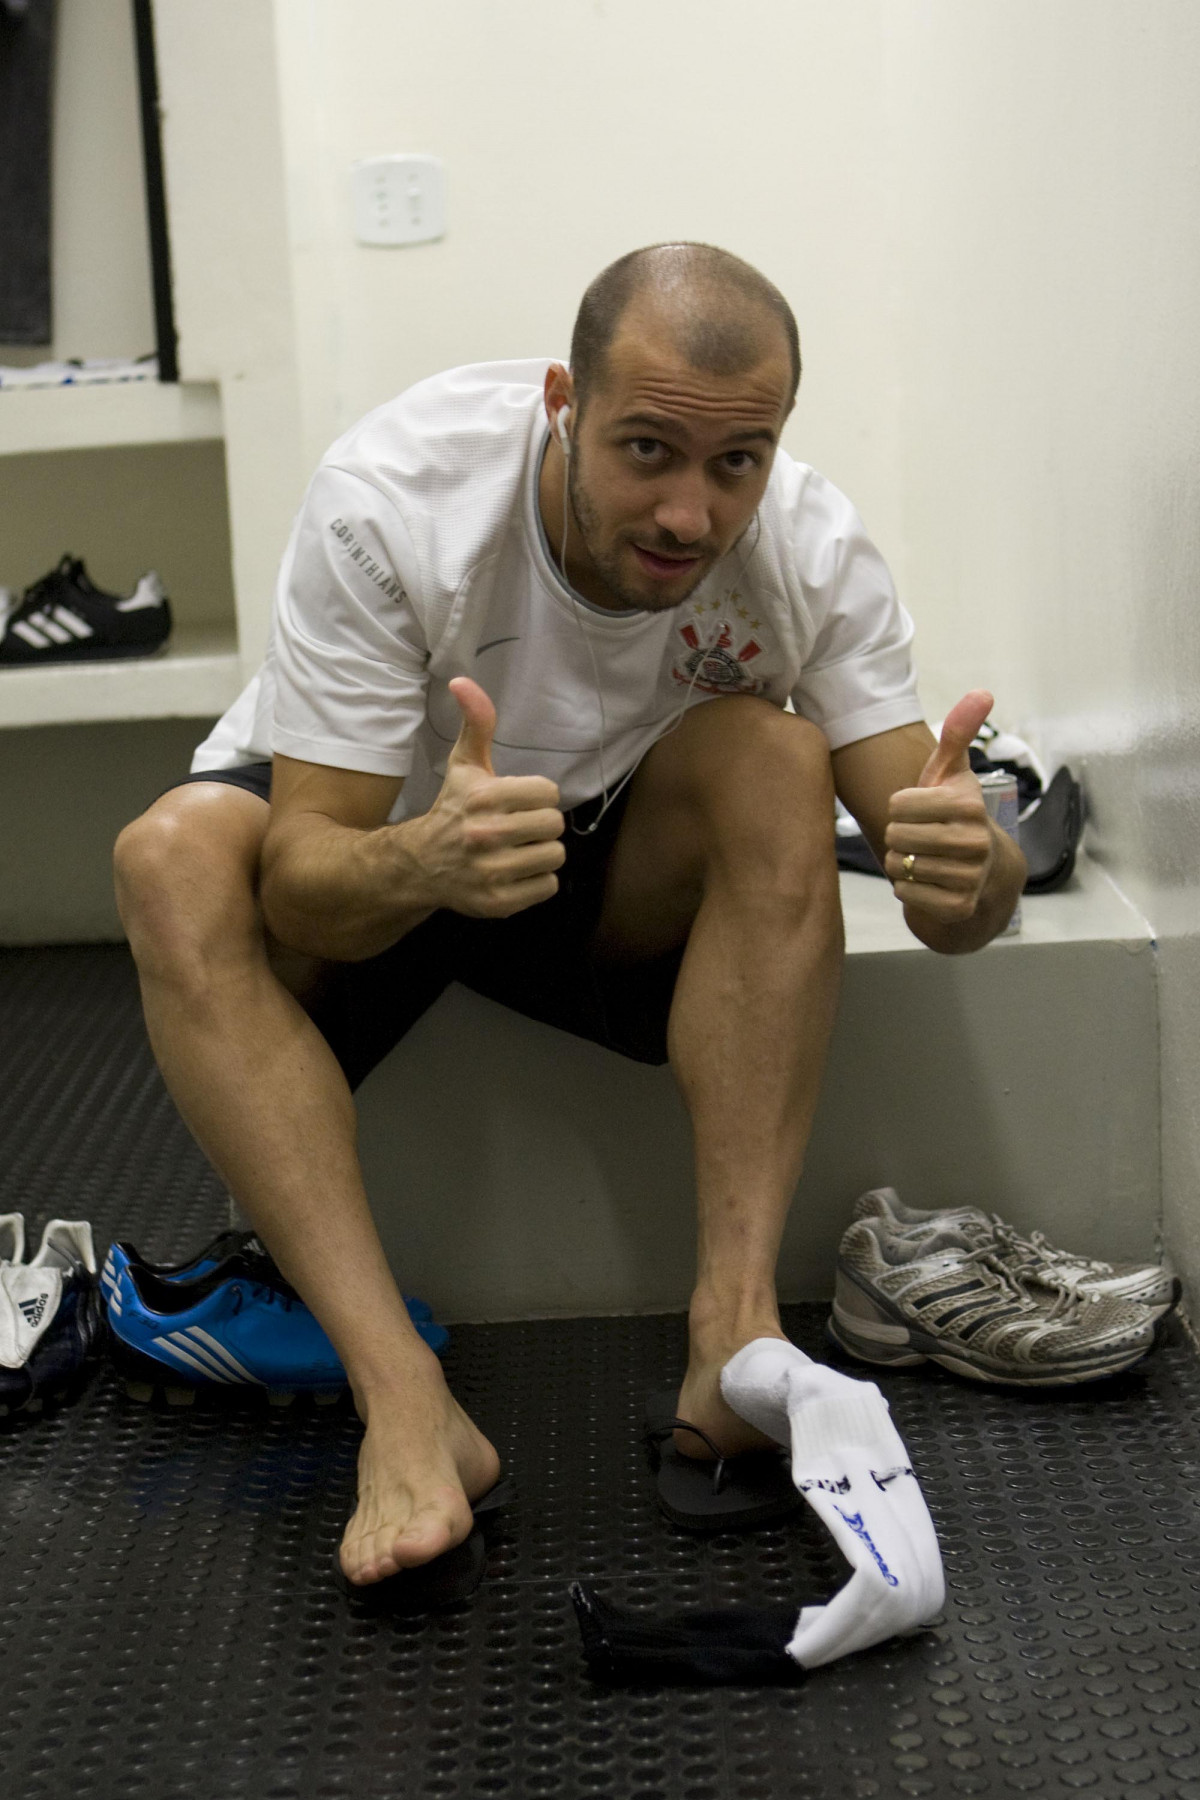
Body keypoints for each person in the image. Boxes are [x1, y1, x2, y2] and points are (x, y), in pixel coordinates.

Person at [113, 243, 1026, 1592]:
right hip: (391, 844)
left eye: (737, 463)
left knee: (777, 760)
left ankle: (732, 1341)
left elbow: (948, 891)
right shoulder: (397, 499)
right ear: (563, 401)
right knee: (170, 855)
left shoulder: (809, 550)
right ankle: (404, 1399)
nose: (688, 511)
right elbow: (307, 876)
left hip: (604, 880)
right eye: (647, 449)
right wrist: (426, 861)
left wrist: (979, 867)